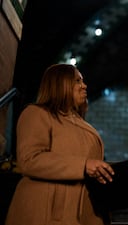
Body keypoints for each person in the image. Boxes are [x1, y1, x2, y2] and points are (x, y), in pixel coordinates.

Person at [6, 64, 115, 225]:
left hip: (84, 212)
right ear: (59, 84)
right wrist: (84, 166)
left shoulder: (81, 123)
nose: (84, 86)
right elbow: (30, 160)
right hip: (46, 212)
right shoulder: (36, 114)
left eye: (83, 81)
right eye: (77, 81)